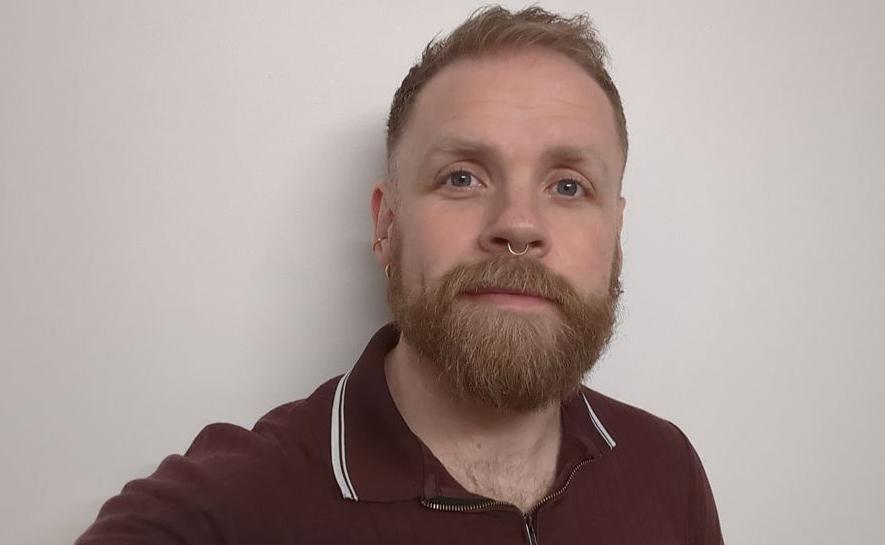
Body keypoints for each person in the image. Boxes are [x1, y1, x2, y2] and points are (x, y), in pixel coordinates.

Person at [76, 5, 723, 544]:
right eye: (462, 177)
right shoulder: (217, 517)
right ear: (386, 226)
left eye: (568, 184)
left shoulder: (665, 467)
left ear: (615, 236)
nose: (518, 224)